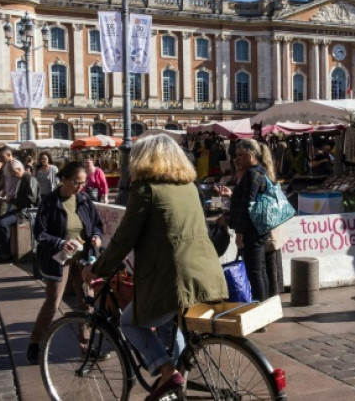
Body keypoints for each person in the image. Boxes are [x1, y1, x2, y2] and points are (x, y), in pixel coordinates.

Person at [82, 134, 227, 400]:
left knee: (129, 322)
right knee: (169, 322)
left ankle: (169, 373)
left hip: (173, 278)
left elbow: (124, 238)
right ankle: (179, 381)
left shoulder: (145, 189)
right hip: (206, 272)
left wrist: (98, 268)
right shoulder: (188, 186)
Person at [26, 161, 104, 365]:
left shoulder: (85, 199)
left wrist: (96, 236)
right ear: (64, 180)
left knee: (87, 302)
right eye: (76, 182)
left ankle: (86, 347)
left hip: (83, 258)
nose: (80, 186)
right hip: (59, 258)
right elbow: (40, 233)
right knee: (53, 303)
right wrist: (61, 242)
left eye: (83, 182)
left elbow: (97, 224)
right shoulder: (50, 201)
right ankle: (35, 343)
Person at [218, 139, 277, 301]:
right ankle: (264, 306)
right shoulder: (259, 172)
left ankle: (260, 308)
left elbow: (247, 205)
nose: (237, 158)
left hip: (252, 231)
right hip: (259, 229)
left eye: (240, 155)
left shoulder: (252, 174)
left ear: (250, 156)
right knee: (260, 271)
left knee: (255, 273)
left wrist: (240, 233)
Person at [0, 160, 39, 263]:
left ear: (19, 169)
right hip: (19, 209)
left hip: (27, 212)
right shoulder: (22, 179)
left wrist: (11, 200)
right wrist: (10, 200)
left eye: (13, 172)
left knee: (2, 223)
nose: (13, 175)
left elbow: (31, 200)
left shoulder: (30, 179)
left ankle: (6, 253)